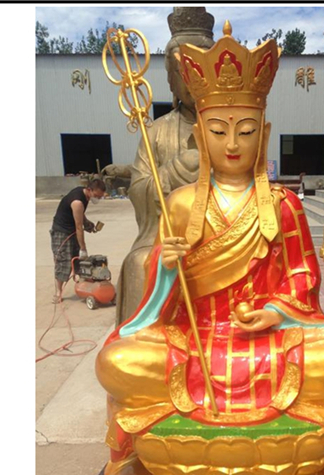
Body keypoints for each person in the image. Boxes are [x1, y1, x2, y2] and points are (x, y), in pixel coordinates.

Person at [95, 22, 324, 465]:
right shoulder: (181, 204)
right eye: (219, 131)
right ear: (200, 135)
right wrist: (166, 268)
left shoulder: (283, 204)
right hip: (196, 340)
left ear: (263, 132)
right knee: (118, 361)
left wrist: (275, 312)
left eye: (245, 130)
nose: (233, 143)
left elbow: (302, 276)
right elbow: (163, 307)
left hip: (268, 341)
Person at [115, 8, 215, 324]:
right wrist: (174, 173)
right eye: (183, 70)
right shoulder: (156, 132)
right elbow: (139, 188)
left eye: (202, 68)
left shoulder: (234, 126)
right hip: (166, 234)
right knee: (139, 263)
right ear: (171, 78)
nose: (193, 79)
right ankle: (141, 341)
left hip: (221, 231)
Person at [50, 178, 106, 302]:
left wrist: (87, 223)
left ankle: (84, 286)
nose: (98, 198)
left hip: (72, 230)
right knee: (63, 262)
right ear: (89, 190)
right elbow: (79, 227)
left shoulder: (84, 196)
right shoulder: (77, 202)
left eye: (100, 197)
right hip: (61, 232)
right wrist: (83, 248)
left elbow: (80, 216)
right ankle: (58, 292)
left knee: (79, 261)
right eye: (97, 196)